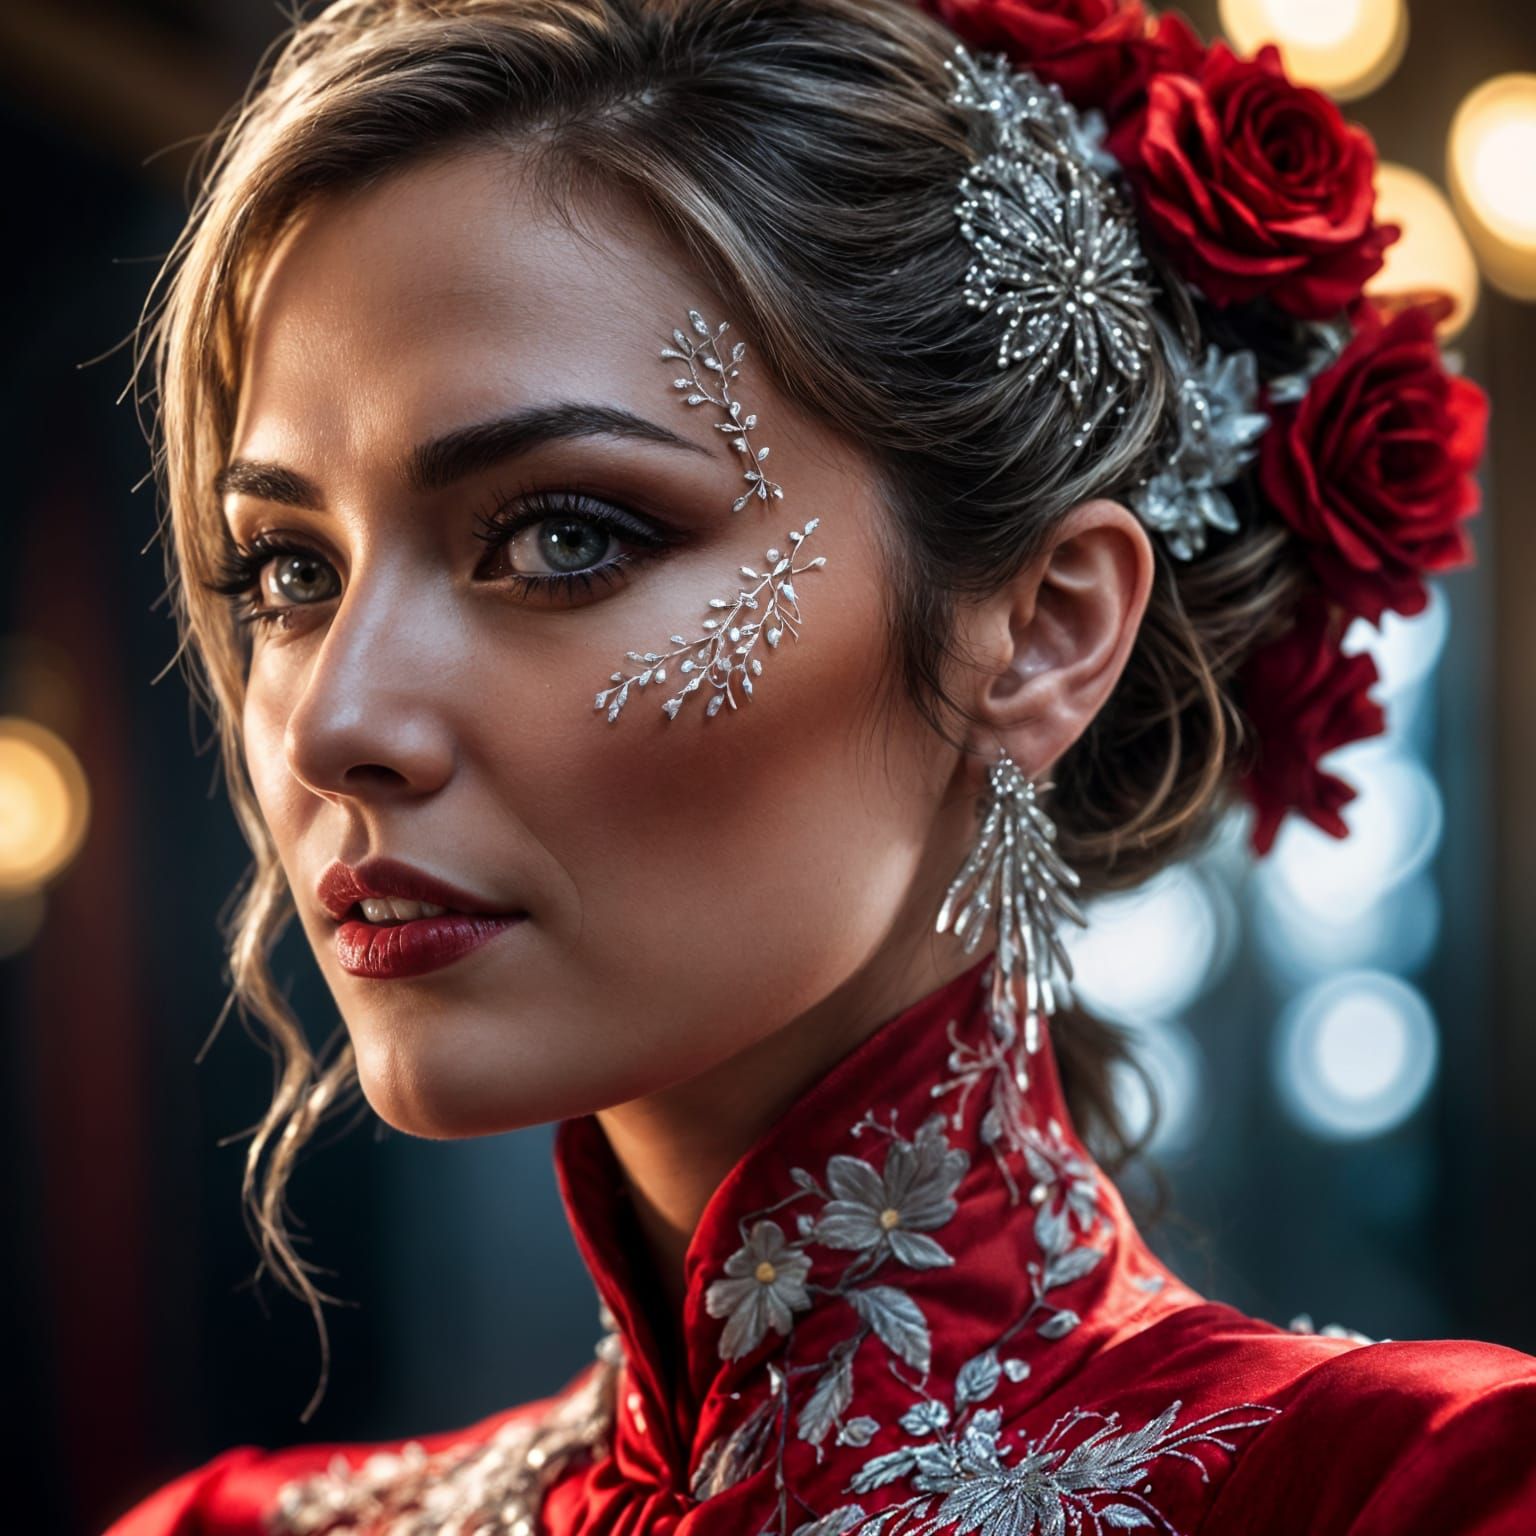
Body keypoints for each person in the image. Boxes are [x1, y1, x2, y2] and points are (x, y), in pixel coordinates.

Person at [106, 0, 1530, 1532]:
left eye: (564, 537)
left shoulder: (1408, 1493)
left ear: (1043, 633)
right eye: (287, 573)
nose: (332, 723)